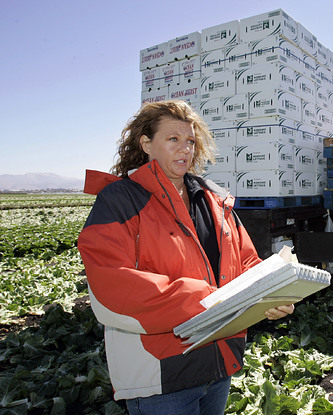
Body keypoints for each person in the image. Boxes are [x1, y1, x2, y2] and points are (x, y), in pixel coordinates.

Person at [77, 100, 294, 414]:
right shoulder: (120, 200)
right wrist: (208, 300)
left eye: (190, 141)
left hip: (218, 366)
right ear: (146, 144)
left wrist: (270, 293)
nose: (185, 149)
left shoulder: (214, 200)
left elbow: (246, 262)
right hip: (164, 377)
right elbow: (110, 283)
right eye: (173, 139)